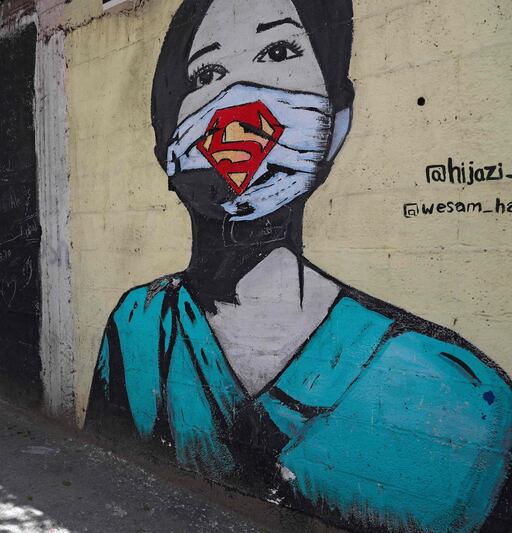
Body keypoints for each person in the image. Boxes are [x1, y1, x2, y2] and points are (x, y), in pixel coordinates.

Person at [85, 1, 512, 531]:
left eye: (279, 52)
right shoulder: (139, 326)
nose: (235, 103)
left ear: (336, 123)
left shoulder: (467, 400)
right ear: (165, 144)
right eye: (207, 73)